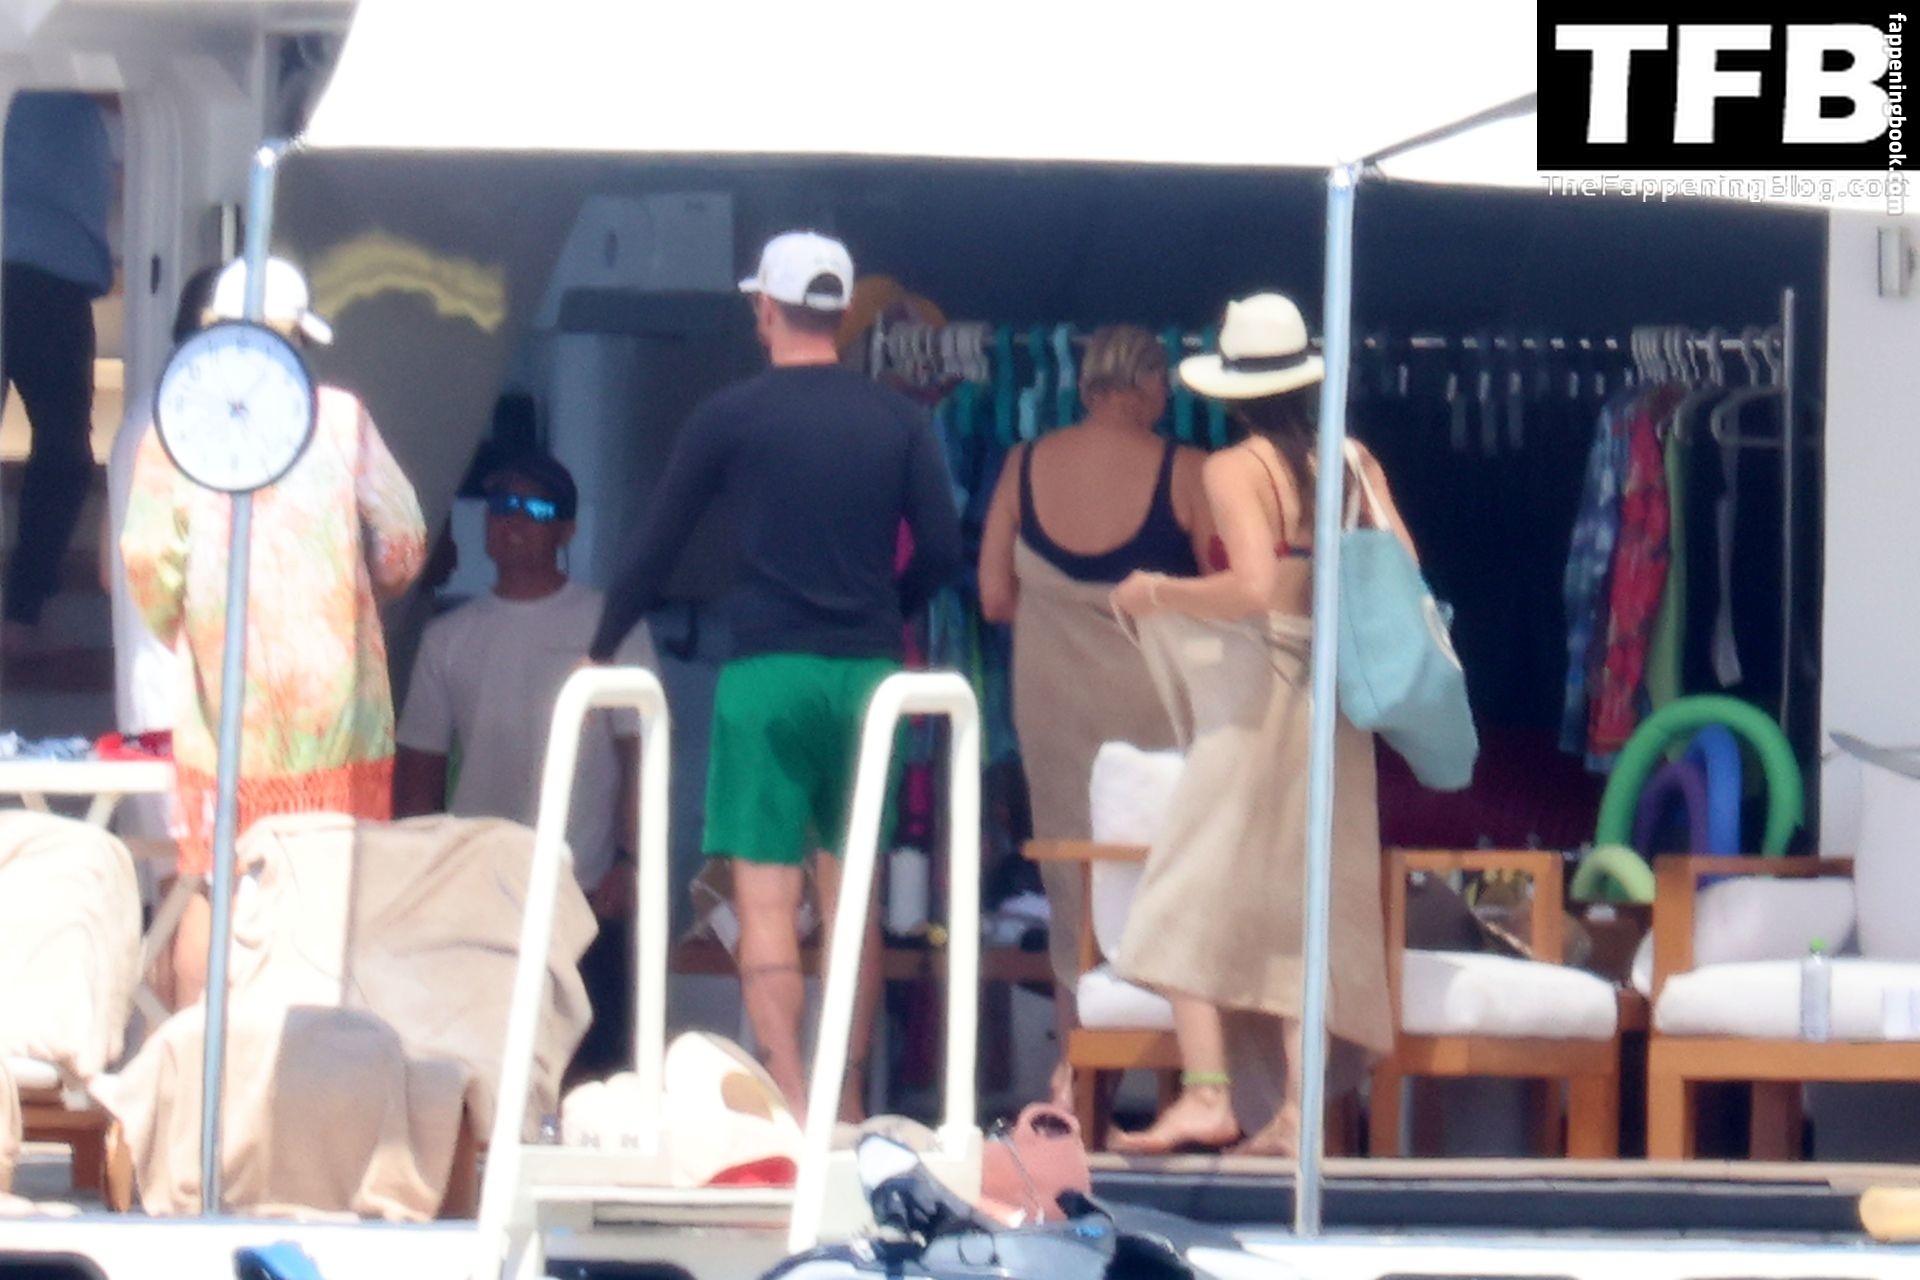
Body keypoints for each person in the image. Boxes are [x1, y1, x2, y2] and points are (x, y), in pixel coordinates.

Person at [590, 231, 962, 1121]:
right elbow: (943, 550)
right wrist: (887, 612)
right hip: (868, 679)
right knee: (852, 900)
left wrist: (599, 646)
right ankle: (845, 1100)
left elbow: (657, 542)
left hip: (766, 673)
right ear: (841, 312)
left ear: (766, 310)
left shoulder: (730, 417)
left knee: (765, 899)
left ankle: (788, 1091)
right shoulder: (900, 421)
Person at [1106, 292, 1413, 1156]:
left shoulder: (1235, 468)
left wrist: (1155, 591)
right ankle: (1296, 1112)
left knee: (1180, 886)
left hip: (1261, 689)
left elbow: (1247, 588)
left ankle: (1209, 1095)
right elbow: (1404, 568)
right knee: (1305, 899)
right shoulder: (1351, 460)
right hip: (1336, 694)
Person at [121, 256, 427, 1006]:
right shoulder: (341, 419)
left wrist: (200, 631)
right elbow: (403, 542)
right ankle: (316, 1055)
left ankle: (198, 1052)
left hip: (226, 709)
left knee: (212, 883)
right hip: (338, 713)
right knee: (329, 894)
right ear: (297, 339)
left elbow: (147, 566)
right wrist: (354, 597)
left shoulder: (175, 427)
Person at [975, 324, 1211, 1109]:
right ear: (1141, 384)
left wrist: (1063, 614)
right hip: (1158, 704)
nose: (1169, 393)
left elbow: (994, 597)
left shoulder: (1023, 465)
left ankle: (1077, 1077)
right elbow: (1226, 596)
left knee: (1072, 877)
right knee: (1171, 871)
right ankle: (1190, 1077)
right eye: (1163, 379)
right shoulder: (1186, 472)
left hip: (1055, 705)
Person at [393, 448, 651, 1080]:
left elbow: (639, 754)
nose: (511, 519)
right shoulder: (447, 637)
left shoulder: (610, 623)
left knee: (591, 1073)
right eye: (501, 505)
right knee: (483, 1068)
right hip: (481, 890)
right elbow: (420, 770)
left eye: (533, 509)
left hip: (586, 888)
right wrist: (423, 878)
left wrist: (631, 860)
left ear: (566, 530)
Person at [2, 92, 114, 653]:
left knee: (63, 445)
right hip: (54, 276)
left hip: (42, 264)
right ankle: (22, 612)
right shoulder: (75, 86)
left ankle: (22, 612)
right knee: (64, 445)